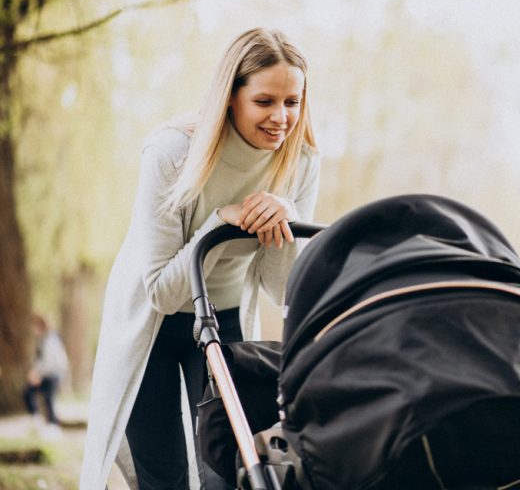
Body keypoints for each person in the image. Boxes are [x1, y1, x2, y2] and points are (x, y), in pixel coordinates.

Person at [79, 28, 321, 490]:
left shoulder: (302, 161)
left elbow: (280, 288)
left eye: (293, 102)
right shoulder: (171, 153)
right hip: (148, 326)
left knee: (226, 469)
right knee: (163, 475)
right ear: (231, 96)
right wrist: (219, 223)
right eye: (265, 101)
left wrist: (285, 223)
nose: (281, 118)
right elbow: (162, 291)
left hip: (222, 321)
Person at [23, 313, 69, 436]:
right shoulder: (42, 339)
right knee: (28, 393)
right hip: (46, 375)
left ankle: (53, 427)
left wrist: (38, 374)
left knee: (49, 399)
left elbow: (52, 362)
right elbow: (39, 360)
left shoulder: (51, 339)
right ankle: (37, 421)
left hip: (52, 375)